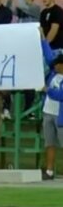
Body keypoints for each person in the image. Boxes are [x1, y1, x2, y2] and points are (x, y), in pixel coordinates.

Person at [40, 36, 63, 180]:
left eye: (57, 64)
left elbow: (60, 95)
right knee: (49, 144)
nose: (54, 65)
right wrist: (43, 39)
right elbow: (48, 55)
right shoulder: (54, 74)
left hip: (61, 117)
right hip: (48, 113)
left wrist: (47, 90)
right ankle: (49, 171)